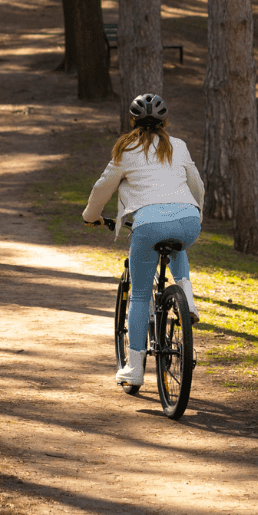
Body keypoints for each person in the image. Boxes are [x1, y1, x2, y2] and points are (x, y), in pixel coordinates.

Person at [81, 94, 203, 387]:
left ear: (133, 121)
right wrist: (195, 213)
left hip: (148, 224)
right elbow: (196, 184)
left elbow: (102, 188)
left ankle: (135, 370)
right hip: (189, 220)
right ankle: (187, 296)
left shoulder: (126, 149)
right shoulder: (179, 146)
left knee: (138, 296)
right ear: (165, 122)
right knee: (176, 239)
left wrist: (90, 216)